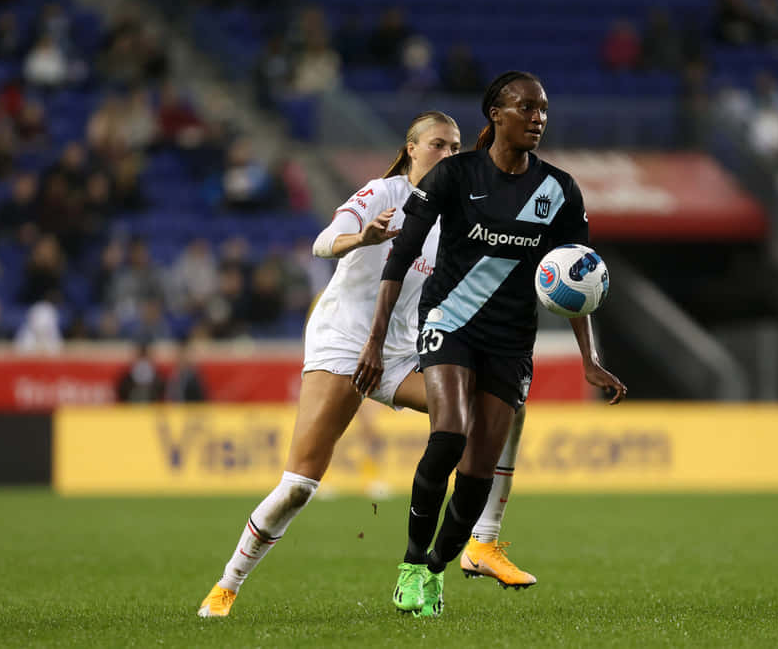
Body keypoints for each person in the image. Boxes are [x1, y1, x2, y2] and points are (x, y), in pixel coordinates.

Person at [197, 110, 535, 618]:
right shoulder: (385, 193)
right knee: (298, 487)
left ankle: (482, 542)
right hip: (344, 342)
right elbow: (321, 242)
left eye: (456, 146)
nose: (449, 155)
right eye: (438, 145)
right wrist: (365, 239)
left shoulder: (458, 216)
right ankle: (227, 584)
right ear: (412, 149)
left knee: (506, 401)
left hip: (401, 352)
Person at [353, 71, 627, 618]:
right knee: (450, 433)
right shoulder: (455, 175)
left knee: (479, 469)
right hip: (449, 322)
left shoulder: (560, 191)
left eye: (544, 109)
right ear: (496, 114)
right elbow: (401, 254)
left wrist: (590, 359)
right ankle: (410, 563)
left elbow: (577, 283)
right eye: (526, 107)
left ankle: (436, 570)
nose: (538, 117)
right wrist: (376, 339)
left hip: (509, 339)